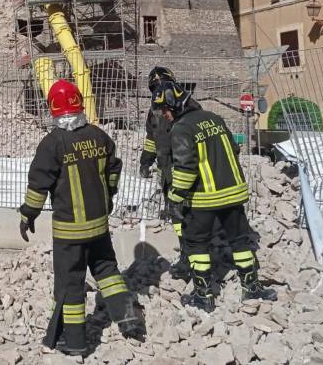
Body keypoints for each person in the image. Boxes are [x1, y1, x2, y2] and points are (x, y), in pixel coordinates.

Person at [19, 79, 139, 356]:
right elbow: (113, 170)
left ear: (52, 108)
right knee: (107, 272)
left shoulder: (52, 144)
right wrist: (108, 197)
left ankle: (74, 342)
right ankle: (130, 319)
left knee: (70, 283)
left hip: (70, 233)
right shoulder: (99, 136)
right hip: (99, 226)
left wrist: (28, 214)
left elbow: (38, 185)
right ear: (79, 102)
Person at [152, 80, 277, 313]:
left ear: (175, 106)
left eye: (165, 109)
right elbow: (235, 149)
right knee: (240, 240)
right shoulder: (214, 118)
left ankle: (203, 295)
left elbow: (185, 167)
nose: (164, 115)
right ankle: (252, 287)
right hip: (233, 192)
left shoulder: (181, 128)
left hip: (204, 198)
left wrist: (176, 197)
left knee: (197, 243)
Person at [138, 66, 198, 279]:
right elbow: (151, 139)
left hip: (186, 167)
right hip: (168, 170)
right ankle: (187, 253)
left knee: (189, 213)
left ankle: (195, 257)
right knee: (177, 215)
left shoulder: (187, 104)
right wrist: (146, 161)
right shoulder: (154, 111)